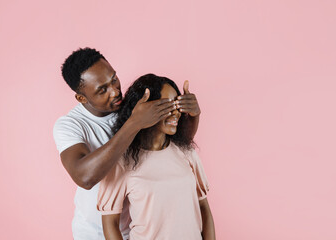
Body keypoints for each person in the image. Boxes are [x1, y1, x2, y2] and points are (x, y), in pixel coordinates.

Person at [53, 48, 201, 240]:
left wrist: (193, 115)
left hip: (137, 230)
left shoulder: (133, 106)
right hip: (95, 233)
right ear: (82, 98)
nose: (115, 91)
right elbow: (84, 177)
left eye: (113, 79)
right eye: (102, 90)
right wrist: (134, 123)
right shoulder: (70, 125)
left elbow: (177, 145)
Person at [97, 74, 216, 240]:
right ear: (146, 109)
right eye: (167, 106)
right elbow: (110, 222)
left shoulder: (186, 152)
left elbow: (203, 207)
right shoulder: (122, 161)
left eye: (177, 104)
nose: (176, 112)